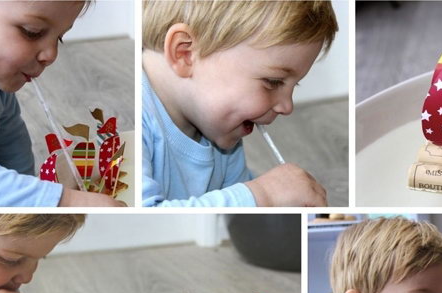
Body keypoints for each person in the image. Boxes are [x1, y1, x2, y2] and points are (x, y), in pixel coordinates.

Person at [142, 0, 336, 207]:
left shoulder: (220, 129)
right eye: (273, 81)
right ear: (185, 53)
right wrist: (264, 194)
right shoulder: (137, 122)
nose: (287, 107)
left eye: (294, 85)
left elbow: (236, 205)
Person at [0, 0, 122, 206]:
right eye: (32, 32)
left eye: (59, 38)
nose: (51, 55)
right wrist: (63, 201)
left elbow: (12, 147)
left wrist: (33, 197)